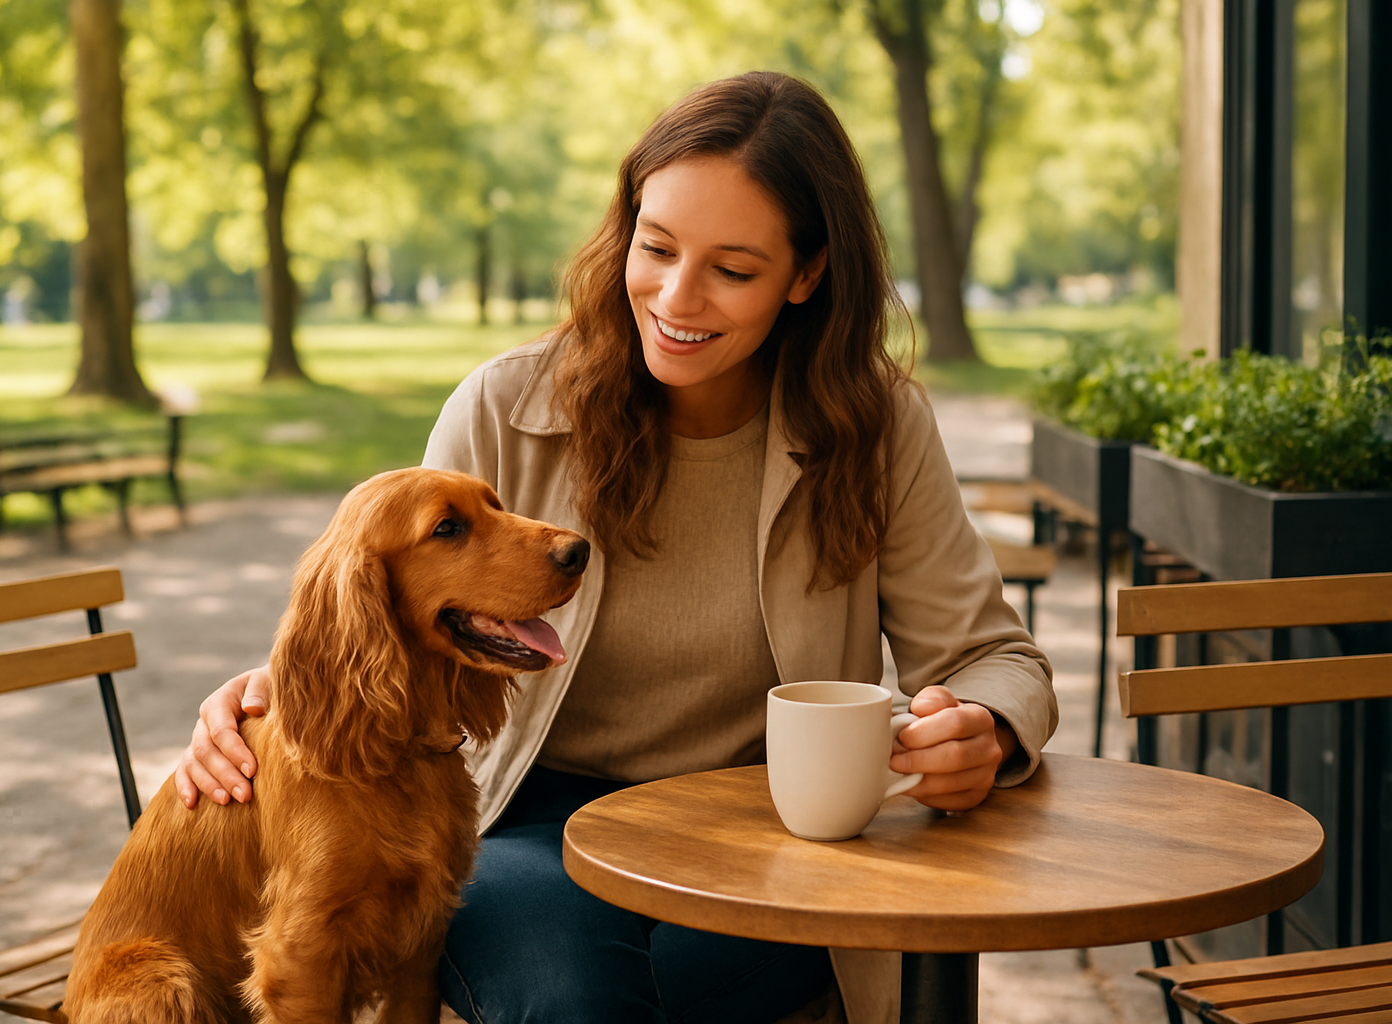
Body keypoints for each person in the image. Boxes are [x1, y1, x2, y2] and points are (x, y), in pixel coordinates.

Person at [174, 71, 1057, 1024]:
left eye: (734, 268)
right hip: (523, 827)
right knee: (571, 997)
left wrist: (985, 725)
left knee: (685, 987)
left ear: (806, 278)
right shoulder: (503, 408)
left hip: (765, 828)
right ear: (625, 229)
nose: (677, 297)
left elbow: (992, 659)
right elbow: (392, 602)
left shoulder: (877, 428)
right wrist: (266, 693)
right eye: (658, 246)